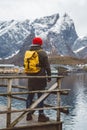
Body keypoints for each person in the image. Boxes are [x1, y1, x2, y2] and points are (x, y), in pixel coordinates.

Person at [25, 37, 51, 122]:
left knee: (30, 96)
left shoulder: (29, 52)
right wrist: (49, 76)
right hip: (40, 78)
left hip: (31, 78)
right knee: (40, 96)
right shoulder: (42, 53)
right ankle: (41, 115)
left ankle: (28, 115)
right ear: (40, 44)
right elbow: (47, 66)